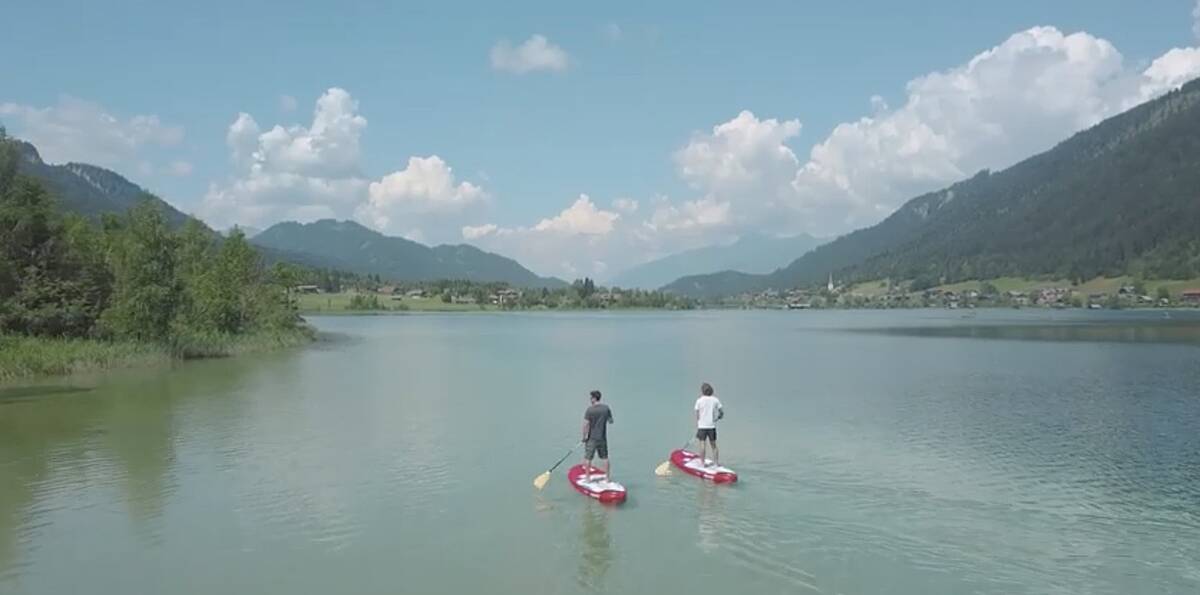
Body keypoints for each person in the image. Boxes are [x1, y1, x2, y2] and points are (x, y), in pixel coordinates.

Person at [581, 390, 614, 480]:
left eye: (591, 398)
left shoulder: (590, 410)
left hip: (592, 438)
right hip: (602, 438)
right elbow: (611, 421)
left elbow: (585, 425)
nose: (590, 399)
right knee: (605, 457)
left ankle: (587, 478)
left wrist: (584, 437)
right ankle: (607, 478)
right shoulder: (606, 408)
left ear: (594, 398)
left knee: (588, 458)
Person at [694, 382, 723, 467]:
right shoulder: (715, 400)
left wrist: (698, 426)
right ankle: (716, 463)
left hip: (702, 426)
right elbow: (721, 412)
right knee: (713, 445)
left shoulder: (699, 401)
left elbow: (697, 415)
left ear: (702, 391)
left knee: (702, 444)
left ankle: (702, 463)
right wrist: (720, 416)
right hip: (711, 426)